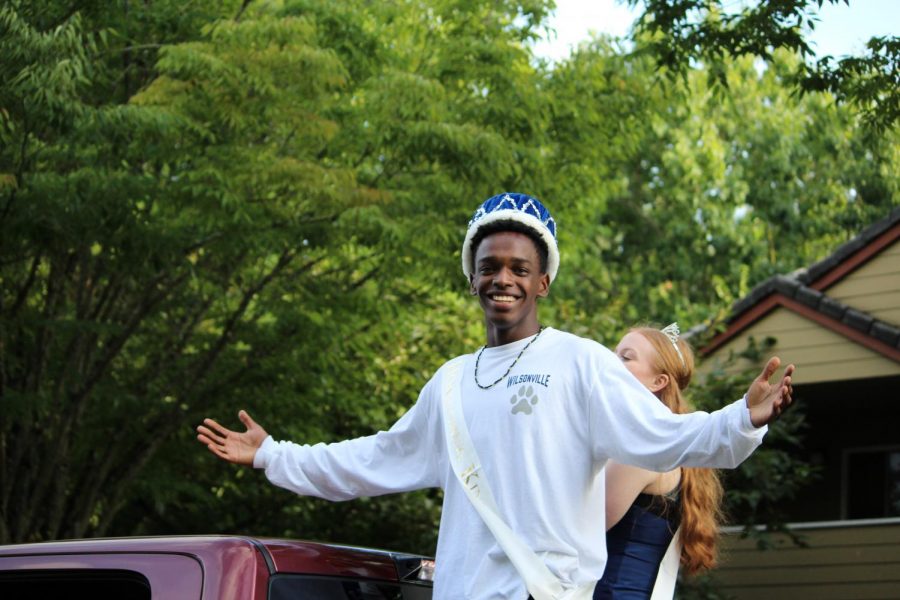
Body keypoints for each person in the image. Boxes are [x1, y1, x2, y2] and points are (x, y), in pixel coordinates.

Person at [197, 192, 794, 600]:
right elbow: (373, 459)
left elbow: (667, 437)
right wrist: (275, 455)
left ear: (543, 280)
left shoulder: (581, 361)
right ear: (472, 275)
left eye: (518, 266)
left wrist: (744, 418)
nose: (501, 278)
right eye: (488, 266)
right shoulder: (451, 380)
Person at [595, 324, 722, 599]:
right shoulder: (660, 444)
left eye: (626, 357)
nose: (611, 363)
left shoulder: (640, 450)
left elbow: (584, 525)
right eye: (614, 354)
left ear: (658, 382)